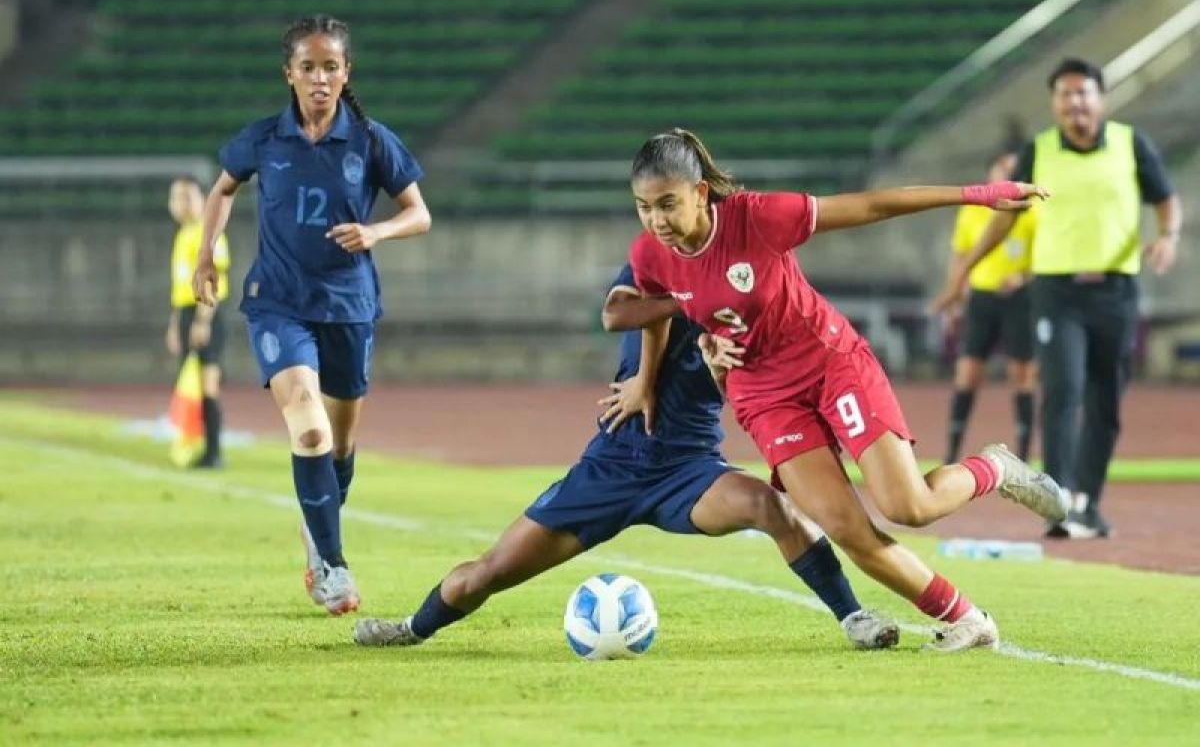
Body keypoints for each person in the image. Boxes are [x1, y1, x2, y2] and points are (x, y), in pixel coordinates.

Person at [615, 128, 1070, 652]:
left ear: (700, 193)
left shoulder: (758, 217)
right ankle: (969, 619)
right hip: (764, 396)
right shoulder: (650, 254)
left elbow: (873, 205)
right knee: (846, 527)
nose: (657, 221)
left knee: (908, 507)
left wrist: (975, 194)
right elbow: (655, 313)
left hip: (829, 362)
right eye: (643, 207)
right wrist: (647, 379)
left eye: (668, 204)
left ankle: (997, 468)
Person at [353, 266, 900, 651]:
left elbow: (754, 387)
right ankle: (411, 627)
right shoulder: (653, 266)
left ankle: (853, 616)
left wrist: (721, 368)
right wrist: (644, 378)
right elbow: (619, 314)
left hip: (689, 469)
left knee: (774, 509)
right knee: (487, 574)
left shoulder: (749, 301)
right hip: (613, 464)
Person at [192, 15, 431, 615]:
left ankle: (316, 527)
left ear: (346, 72)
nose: (319, 79)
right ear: (289, 74)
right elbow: (222, 189)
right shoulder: (263, 140)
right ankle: (333, 569)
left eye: (331, 67)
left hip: (349, 306)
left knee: (341, 447)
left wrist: (376, 231)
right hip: (277, 301)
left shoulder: (373, 140)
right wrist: (205, 257)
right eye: (308, 67)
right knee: (310, 428)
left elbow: (419, 213)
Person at [935, 58, 1183, 539]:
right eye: (1064, 95)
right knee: (1063, 389)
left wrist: (1168, 234)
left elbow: (1165, 197)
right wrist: (963, 273)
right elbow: (1005, 215)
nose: (1074, 103)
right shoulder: (1039, 151)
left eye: (1083, 93)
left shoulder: (1131, 145)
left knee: (1106, 397)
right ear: (1054, 104)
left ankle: (1089, 501)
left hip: (1115, 290)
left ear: (1101, 99)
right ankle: (1060, 502)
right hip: (1055, 291)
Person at [937, 151, 1037, 464]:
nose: (1008, 174)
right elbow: (959, 256)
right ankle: (952, 452)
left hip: (1020, 301)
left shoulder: (1031, 211)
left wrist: (1022, 277)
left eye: (1014, 169)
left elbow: (1047, 258)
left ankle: (1023, 457)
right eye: (1002, 168)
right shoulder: (973, 212)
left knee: (1023, 376)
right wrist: (954, 298)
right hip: (982, 298)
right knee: (967, 375)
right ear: (990, 174)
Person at [166, 175, 230, 468]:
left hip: (206, 313)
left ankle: (214, 452)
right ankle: (197, 444)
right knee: (189, 381)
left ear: (202, 199)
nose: (181, 203)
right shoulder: (183, 234)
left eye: (188, 196)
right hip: (186, 313)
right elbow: (180, 286)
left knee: (208, 383)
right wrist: (175, 323)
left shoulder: (208, 231)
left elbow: (213, 280)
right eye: (177, 197)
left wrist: (202, 321)